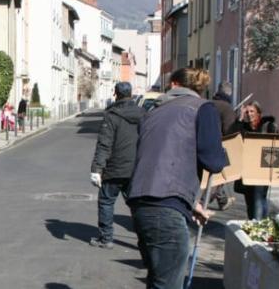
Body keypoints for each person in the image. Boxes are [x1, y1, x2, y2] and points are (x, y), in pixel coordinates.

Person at [129, 68, 228, 289]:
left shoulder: (153, 111)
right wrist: (222, 152)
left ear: (174, 85)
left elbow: (160, 163)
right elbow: (213, 162)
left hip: (140, 204)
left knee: (158, 280)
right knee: (166, 284)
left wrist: (191, 204)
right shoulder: (203, 108)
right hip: (165, 209)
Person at [89, 82, 145, 249]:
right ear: (131, 94)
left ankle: (106, 238)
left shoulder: (111, 115)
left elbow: (104, 144)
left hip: (114, 169)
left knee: (106, 202)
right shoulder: (143, 114)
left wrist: (97, 169)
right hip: (136, 168)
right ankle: (144, 240)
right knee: (137, 206)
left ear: (116, 94)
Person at [236, 101, 277, 220]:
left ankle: (257, 224)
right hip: (246, 169)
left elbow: (273, 145)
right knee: (250, 200)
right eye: (247, 112)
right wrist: (240, 118)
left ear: (259, 113)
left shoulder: (267, 126)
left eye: (252, 111)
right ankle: (258, 224)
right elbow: (233, 136)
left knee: (258, 198)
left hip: (261, 168)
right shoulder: (243, 127)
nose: (249, 114)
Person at [209, 82, 238, 210]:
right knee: (220, 175)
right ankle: (204, 200)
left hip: (205, 142)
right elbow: (229, 130)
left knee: (215, 175)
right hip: (218, 145)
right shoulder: (226, 108)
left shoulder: (208, 104)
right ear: (229, 93)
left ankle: (222, 200)